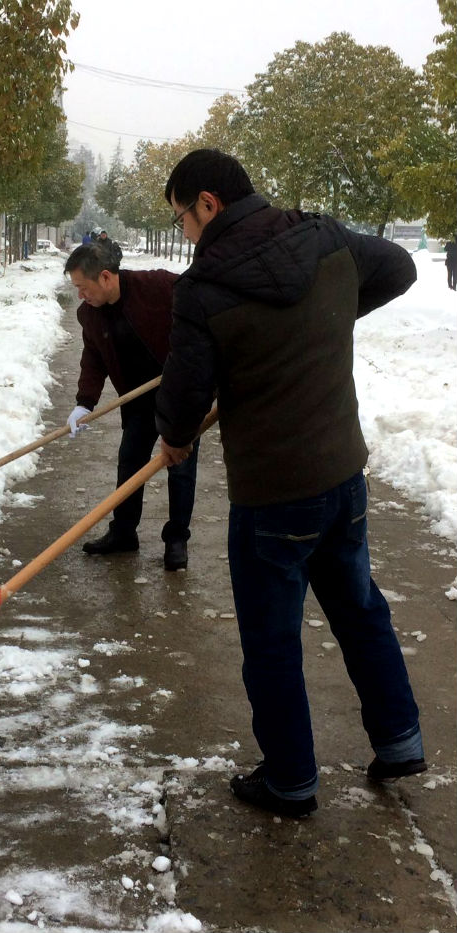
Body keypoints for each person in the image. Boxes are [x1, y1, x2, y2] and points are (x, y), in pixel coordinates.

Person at [155, 148, 425, 817]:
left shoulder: (204, 288)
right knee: (361, 608)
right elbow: (397, 267)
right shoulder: (323, 237)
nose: (187, 233)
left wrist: (174, 441)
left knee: (273, 642)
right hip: (342, 474)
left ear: (209, 204)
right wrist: (320, 318)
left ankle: (290, 781)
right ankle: (400, 740)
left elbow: (184, 403)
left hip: (273, 497)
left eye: (184, 219)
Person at [64, 242, 199, 570]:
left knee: (180, 468)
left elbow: (200, 309)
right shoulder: (89, 314)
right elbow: (94, 357)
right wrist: (85, 402)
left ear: (106, 277)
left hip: (178, 396)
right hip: (138, 400)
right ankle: (124, 533)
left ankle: (177, 540)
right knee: (130, 463)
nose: (80, 296)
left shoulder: (158, 286)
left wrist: (196, 362)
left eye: (83, 287)